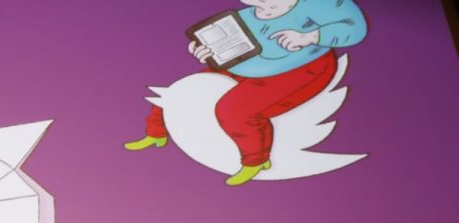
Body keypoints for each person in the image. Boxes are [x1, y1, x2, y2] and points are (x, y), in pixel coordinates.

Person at [124, 0, 367, 185]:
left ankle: (256, 161)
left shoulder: (322, 4)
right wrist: (208, 52)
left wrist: (311, 36)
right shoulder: (243, 17)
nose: (262, 6)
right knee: (184, 89)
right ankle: (156, 133)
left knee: (235, 111)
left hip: (302, 68)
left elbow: (355, 28)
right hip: (245, 65)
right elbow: (229, 47)